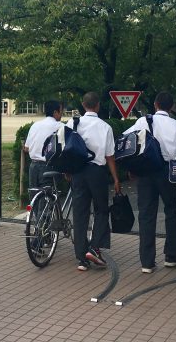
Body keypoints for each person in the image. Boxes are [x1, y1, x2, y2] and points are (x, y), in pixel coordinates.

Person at [124, 91, 176, 273]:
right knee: (171, 210)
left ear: (155, 105)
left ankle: (147, 262)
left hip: (144, 172)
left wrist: (132, 167)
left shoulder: (142, 121)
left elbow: (127, 142)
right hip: (167, 171)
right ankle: (172, 256)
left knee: (146, 214)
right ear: (172, 106)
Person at [66, 92, 122, 271]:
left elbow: (65, 148)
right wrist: (115, 178)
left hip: (77, 171)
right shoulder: (105, 127)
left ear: (83, 105)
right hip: (97, 172)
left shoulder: (72, 123)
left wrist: (68, 170)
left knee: (80, 213)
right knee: (101, 209)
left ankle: (82, 257)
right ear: (97, 106)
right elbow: (110, 156)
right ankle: (95, 247)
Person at [23, 100, 63, 199]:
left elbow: (26, 148)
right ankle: (44, 215)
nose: (62, 113)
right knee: (45, 200)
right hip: (48, 166)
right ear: (55, 112)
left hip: (33, 166)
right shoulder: (61, 127)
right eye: (61, 111)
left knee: (34, 198)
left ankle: (33, 215)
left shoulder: (35, 125)